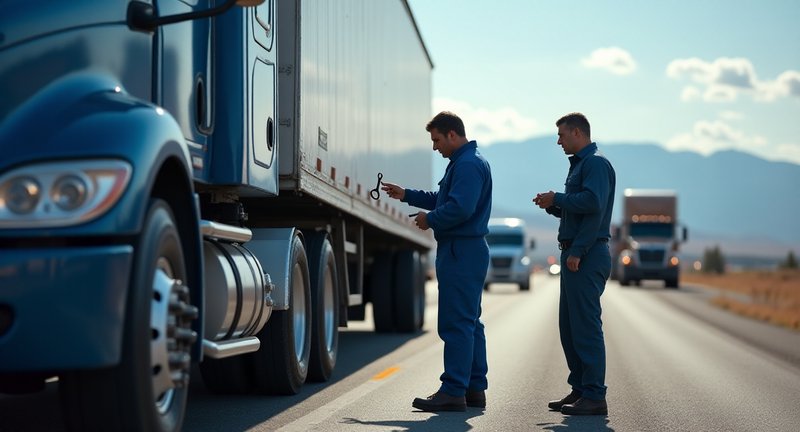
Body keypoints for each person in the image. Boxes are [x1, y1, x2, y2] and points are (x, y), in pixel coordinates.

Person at [381, 111, 492, 412]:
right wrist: (407, 195)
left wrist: (429, 220)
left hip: (461, 251)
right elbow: (445, 199)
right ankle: (473, 388)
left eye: (437, 140)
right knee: (470, 323)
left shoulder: (467, 165)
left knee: (456, 323)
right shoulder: (466, 162)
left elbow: (460, 209)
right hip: (466, 250)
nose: (435, 147)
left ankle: (453, 390)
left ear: (453, 135)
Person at [533, 112, 615, 416]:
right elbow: (580, 208)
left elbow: (594, 206)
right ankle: (581, 390)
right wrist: (555, 204)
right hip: (576, 252)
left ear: (578, 133)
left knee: (585, 327)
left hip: (587, 254)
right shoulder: (582, 165)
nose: (558, 141)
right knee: (569, 327)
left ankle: (594, 395)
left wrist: (578, 250)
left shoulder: (594, 164)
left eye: (562, 135)